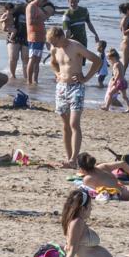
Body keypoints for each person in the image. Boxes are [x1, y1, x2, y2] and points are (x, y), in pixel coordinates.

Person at [47, 27, 101, 167]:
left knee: (74, 123)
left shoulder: (75, 46)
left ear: (60, 37)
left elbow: (96, 60)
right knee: (65, 126)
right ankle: (70, 159)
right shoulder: (54, 49)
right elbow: (52, 62)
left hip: (76, 87)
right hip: (61, 88)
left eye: (54, 42)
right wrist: (57, 73)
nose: (52, 45)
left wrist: (86, 78)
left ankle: (73, 158)